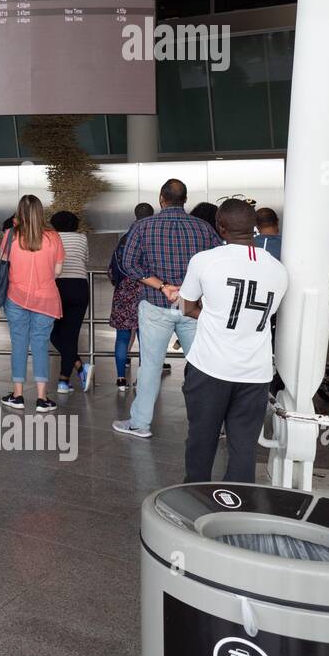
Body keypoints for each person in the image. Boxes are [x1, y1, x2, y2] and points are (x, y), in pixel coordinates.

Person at [179, 199, 288, 482]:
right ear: (253, 228)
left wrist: (212, 314)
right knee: (243, 448)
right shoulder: (278, 269)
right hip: (256, 372)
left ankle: (195, 498)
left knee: (202, 440)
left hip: (209, 368)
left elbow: (187, 307)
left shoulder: (205, 260)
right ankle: (237, 505)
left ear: (220, 227)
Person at [114, 179, 223, 440]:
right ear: (184, 199)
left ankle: (140, 424)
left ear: (161, 198)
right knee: (203, 366)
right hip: (192, 306)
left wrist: (163, 285)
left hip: (155, 303)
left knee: (150, 365)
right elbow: (218, 262)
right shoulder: (203, 228)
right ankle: (214, 426)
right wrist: (188, 287)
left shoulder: (143, 226)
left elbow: (128, 264)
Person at [0, 194, 64, 412]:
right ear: (40, 212)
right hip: (46, 298)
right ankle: (41, 398)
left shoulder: (10, 235)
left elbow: (4, 263)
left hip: (16, 296)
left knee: (18, 343)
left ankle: (17, 395)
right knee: (40, 345)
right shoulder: (53, 237)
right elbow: (58, 271)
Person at [109, 203, 154, 392]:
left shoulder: (125, 239)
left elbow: (112, 269)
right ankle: (141, 379)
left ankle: (120, 379)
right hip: (148, 290)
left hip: (124, 291)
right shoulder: (152, 237)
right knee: (146, 338)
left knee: (122, 336)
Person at [49, 210, 92, 394]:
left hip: (57, 287)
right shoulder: (82, 239)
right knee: (71, 335)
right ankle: (65, 380)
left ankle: (78, 368)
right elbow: (86, 260)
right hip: (79, 287)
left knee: (53, 333)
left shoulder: (51, 238)